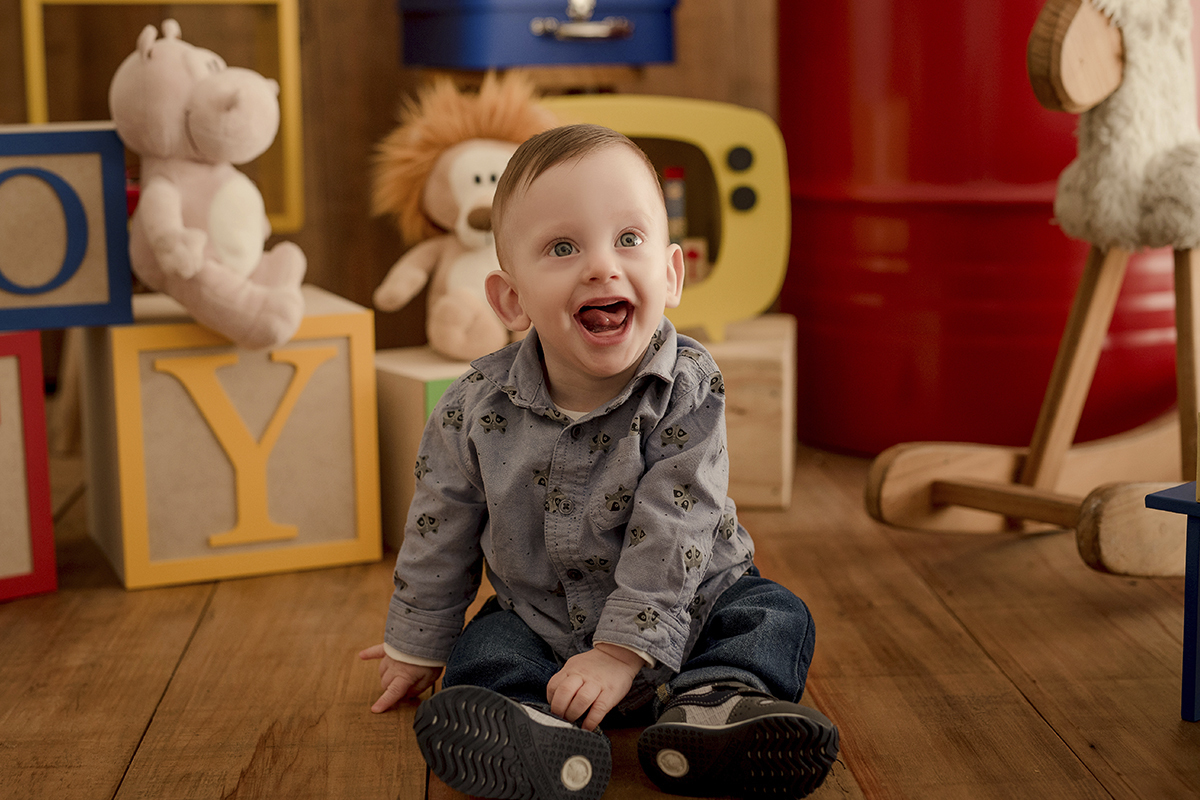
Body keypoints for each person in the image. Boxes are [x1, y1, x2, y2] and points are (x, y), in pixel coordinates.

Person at [359, 123, 838, 799]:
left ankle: (717, 703)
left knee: (771, 616)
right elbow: (441, 523)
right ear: (511, 301)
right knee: (486, 650)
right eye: (562, 247)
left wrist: (621, 652)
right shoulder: (473, 407)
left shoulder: (688, 386)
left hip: (692, 606)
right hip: (544, 621)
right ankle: (536, 733)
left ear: (671, 274)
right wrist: (418, 641)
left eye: (629, 240)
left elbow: (677, 520)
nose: (602, 267)